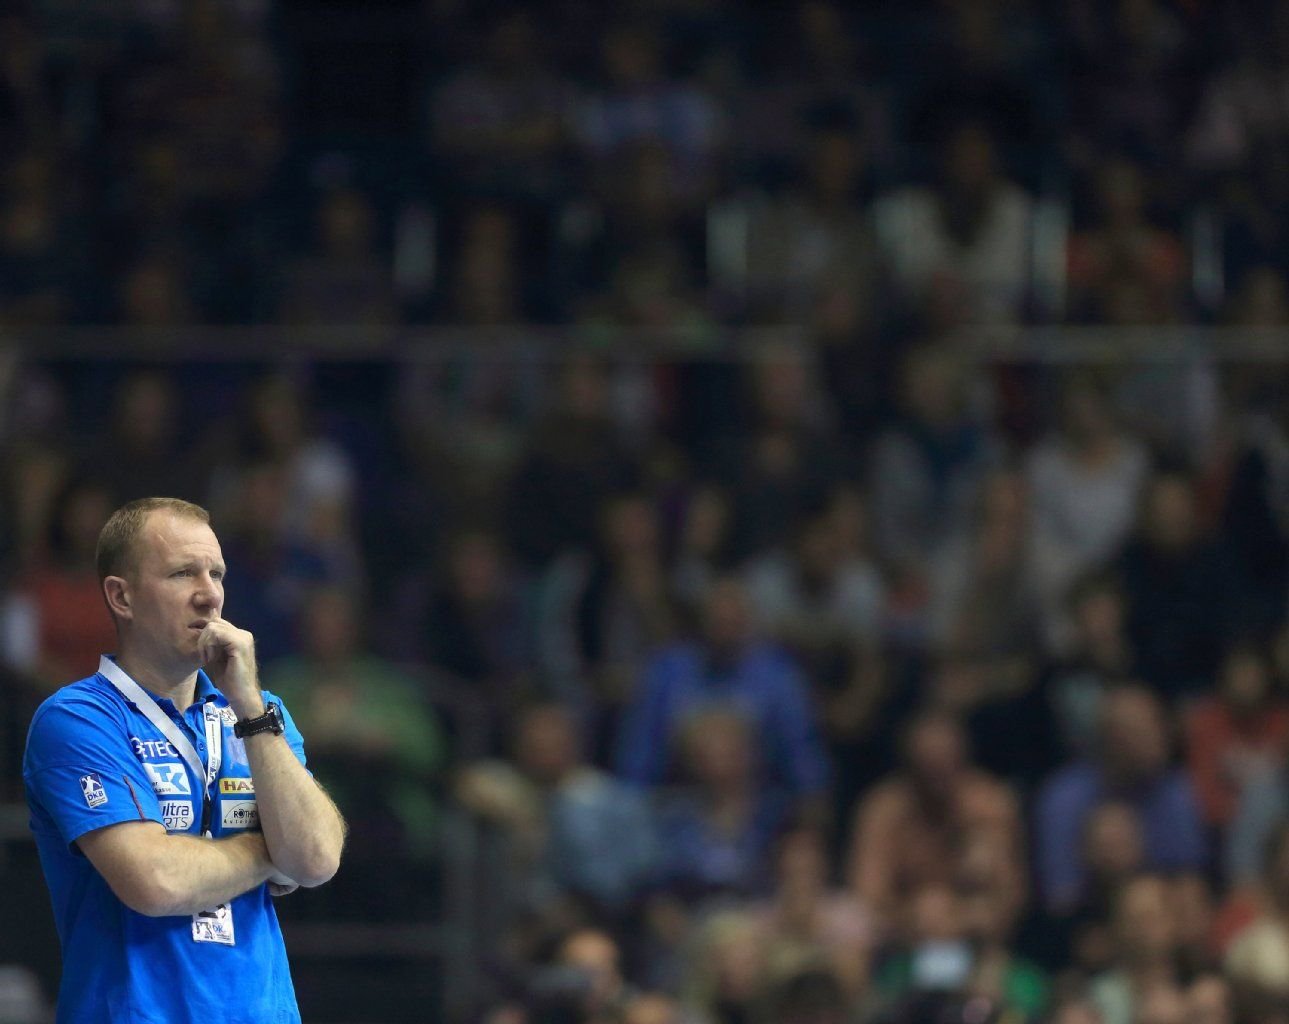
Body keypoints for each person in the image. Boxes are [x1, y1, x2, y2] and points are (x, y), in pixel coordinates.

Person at [22, 497, 346, 1023]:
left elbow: (316, 858)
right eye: (182, 574)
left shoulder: (261, 714)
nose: (210, 594)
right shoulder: (78, 719)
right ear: (121, 597)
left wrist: (249, 704)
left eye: (216, 573)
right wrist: (270, 854)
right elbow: (155, 881)